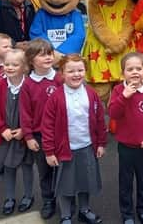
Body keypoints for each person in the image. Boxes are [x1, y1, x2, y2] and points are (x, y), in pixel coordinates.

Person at [42, 54, 107, 224]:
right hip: (65, 149)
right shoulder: (55, 97)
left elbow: (100, 119)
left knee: (85, 181)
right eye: (71, 71)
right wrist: (49, 151)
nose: (76, 74)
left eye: (80, 70)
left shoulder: (91, 94)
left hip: (87, 146)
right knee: (66, 184)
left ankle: (84, 210)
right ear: (62, 73)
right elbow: (47, 126)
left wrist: (101, 143)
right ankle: (65, 215)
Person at [109, 52, 143, 224]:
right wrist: (124, 96)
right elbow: (113, 113)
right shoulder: (118, 90)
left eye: (138, 68)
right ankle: (127, 214)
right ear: (122, 73)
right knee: (125, 182)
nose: (134, 72)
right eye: (129, 69)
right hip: (126, 147)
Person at [19, 38, 64, 220]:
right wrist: (29, 137)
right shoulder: (28, 84)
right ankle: (48, 200)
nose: (47, 58)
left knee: (64, 170)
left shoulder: (60, 78)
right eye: (42, 54)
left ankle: (65, 200)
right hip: (39, 136)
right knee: (45, 171)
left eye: (49, 53)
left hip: (62, 134)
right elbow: (25, 113)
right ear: (31, 60)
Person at [0, 48, 35, 216]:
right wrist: (2, 129)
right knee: (8, 167)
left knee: (27, 165)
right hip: (6, 135)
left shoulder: (30, 85)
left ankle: (28, 196)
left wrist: (26, 130)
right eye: (6, 64)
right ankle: (9, 198)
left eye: (15, 64)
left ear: (24, 67)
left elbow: (35, 110)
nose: (9, 67)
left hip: (24, 135)